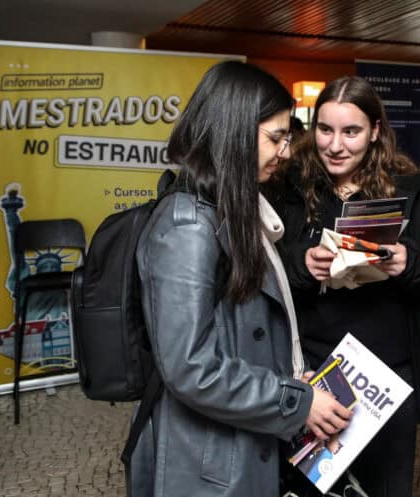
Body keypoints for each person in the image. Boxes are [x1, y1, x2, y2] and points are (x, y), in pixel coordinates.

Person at [127, 61, 352, 497]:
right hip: (210, 464)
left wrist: (291, 381)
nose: (285, 152)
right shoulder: (187, 229)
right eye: (275, 138)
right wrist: (295, 402)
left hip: (238, 444)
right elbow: (191, 367)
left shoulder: (230, 211)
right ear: (233, 131)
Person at [268, 75, 420, 497]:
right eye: (325, 129)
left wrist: (408, 264)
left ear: (375, 132)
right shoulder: (287, 188)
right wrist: (302, 264)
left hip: (386, 377)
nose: (335, 145)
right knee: (308, 488)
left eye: (351, 132)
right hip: (312, 369)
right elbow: (259, 269)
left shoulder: (409, 192)